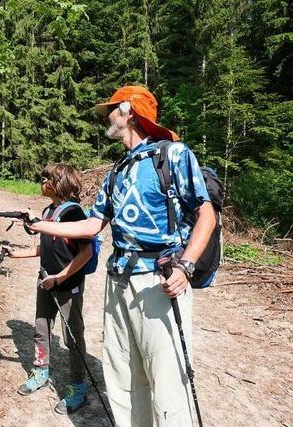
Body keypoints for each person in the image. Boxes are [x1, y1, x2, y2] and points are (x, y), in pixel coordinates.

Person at [26, 86, 217, 427]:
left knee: (167, 375)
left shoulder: (172, 155)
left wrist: (186, 266)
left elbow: (206, 214)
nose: (105, 117)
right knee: (123, 372)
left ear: (129, 113)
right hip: (118, 281)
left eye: (110, 110)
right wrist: (42, 225)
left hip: (159, 282)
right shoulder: (117, 170)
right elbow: (92, 225)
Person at [8, 163, 94, 415]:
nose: (41, 181)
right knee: (41, 329)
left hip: (67, 285)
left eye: (46, 178)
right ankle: (40, 373)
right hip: (45, 280)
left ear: (58, 184)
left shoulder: (73, 213)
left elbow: (86, 252)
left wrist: (58, 278)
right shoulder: (48, 210)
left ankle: (78, 387)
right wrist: (17, 254)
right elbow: (45, 247)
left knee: (72, 336)